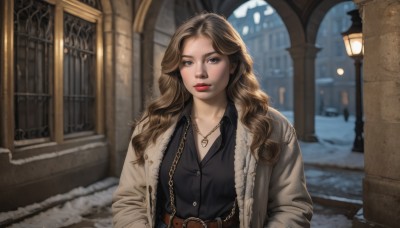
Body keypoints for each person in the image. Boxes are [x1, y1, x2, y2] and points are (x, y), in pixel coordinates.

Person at [112, 12, 313, 228]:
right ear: (178, 69)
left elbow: (292, 207)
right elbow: (129, 201)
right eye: (187, 62)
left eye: (212, 59)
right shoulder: (153, 124)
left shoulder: (272, 127)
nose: (199, 73)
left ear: (233, 64)